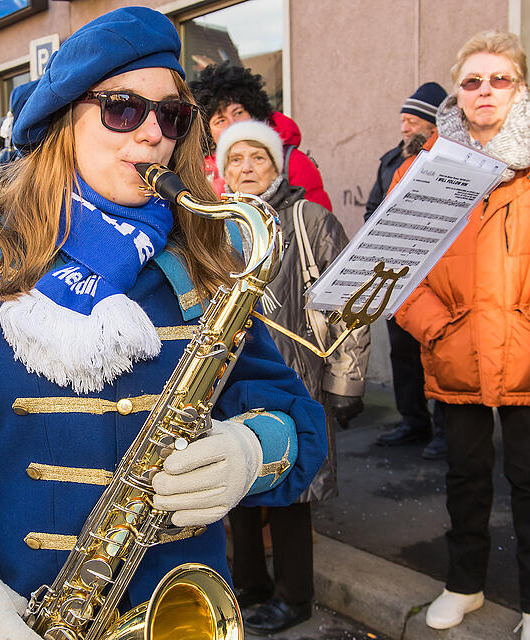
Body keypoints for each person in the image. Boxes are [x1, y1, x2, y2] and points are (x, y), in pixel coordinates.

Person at [0, 8, 327, 640]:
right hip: (28, 612)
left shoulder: (204, 256)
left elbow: (291, 414)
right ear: (64, 121)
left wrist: (251, 449)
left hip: (186, 611)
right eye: (123, 109)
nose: (153, 135)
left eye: (172, 116)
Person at [392, 30, 530, 637]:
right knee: (464, 479)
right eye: (472, 80)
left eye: (499, 78)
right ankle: (465, 584)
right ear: (458, 93)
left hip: (527, 355)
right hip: (457, 353)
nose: (485, 91)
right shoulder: (426, 173)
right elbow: (391, 270)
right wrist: (438, 330)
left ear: (519, 88)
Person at [213, 120, 369, 634]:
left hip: (294, 378)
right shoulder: (214, 225)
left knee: (291, 494)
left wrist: (346, 383)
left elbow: (351, 304)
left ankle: (293, 596)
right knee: (235, 482)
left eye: (257, 157)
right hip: (230, 382)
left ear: (276, 165)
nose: (246, 168)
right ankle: (250, 587)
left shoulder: (308, 219)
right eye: (235, 159)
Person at [367, 82, 449, 459]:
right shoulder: (388, 161)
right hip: (397, 277)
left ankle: (446, 432)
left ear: (433, 125)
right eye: (402, 120)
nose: (404, 128)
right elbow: (372, 210)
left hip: (437, 275)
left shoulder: (446, 161)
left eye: (412, 120)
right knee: (402, 352)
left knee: (439, 354)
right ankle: (413, 421)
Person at [188, 63, 332, 210]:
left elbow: (318, 224)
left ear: (254, 112)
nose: (232, 124)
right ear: (208, 132)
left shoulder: (294, 162)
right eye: (221, 121)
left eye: (238, 113)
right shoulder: (199, 173)